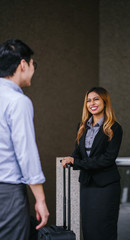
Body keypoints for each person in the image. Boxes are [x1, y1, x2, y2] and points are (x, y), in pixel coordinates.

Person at [0, 39, 49, 240]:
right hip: (7, 191)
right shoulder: (18, 101)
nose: (32, 70)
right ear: (23, 64)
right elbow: (26, 152)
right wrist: (41, 199)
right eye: (32, 64)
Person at [62, 87, 123, 240]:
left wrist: (78, 162)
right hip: (88, 185)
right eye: (88, 100)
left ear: (105, 101)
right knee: (89, 228)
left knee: (105, 228)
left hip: (107, 186)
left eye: (96, 99)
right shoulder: (82, 127)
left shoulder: (114, 128)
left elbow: (108, 158)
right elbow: (78, 152)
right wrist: (71, 158)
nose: (92, 103)